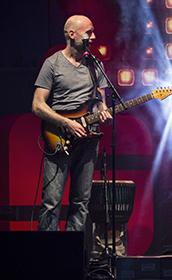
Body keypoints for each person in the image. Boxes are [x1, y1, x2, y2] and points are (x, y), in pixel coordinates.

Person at [32, 15, 112, 231]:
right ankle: (48, 259)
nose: (94, 37)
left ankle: (73, 256)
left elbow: (100, 103)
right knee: (51, 202)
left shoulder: (96, 65)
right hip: (59, 138)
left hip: (88, 141)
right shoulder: (53, 63)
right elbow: (38, 105)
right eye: (89, 32)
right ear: (72, 34)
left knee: (81, 202)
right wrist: (66, 123)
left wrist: (103, 112)